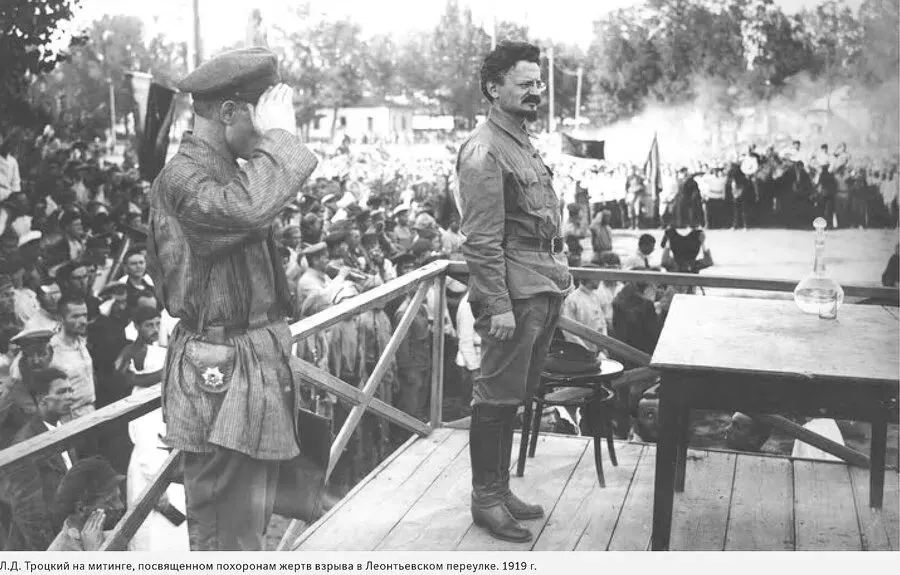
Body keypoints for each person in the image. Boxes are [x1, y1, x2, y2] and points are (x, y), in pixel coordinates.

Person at [146, 48, 319, 551]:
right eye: (260, 121)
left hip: (248, 364)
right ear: (227, 112)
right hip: (220, 375)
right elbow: (243, 210)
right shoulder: (182, 177)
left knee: (248, 527)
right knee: (226, 536)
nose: (265, 135)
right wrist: (281, 140)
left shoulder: (226, 172)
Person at [456, 41, 573, 543]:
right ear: (493, 88)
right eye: (524, 84)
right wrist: (497, 305)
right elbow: (481, 240)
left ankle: (500, 490)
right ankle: (485, 499)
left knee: (514, 397)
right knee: (495, 397)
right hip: (514, 295)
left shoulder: (520, 142)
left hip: (541, 284)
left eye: (537, 83)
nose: (535, 92)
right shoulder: (484, 150)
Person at [3, 368, 75, 550]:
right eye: (61, 392)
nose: (69, 396)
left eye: (70, 390)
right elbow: (28, 514)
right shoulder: (25, 444)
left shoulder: (66, 427)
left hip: (67, 532)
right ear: (42, 398)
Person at [47, 456, 126, 551]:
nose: (120, 506)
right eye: (111, 501)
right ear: (80, 509)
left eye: (118, 498)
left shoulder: (111, 527)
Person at [49, 294, 94, 420]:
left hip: (90, 412)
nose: (83, 321)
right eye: (75, 316)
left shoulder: (81, 342)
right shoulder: (51, 349)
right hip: (68, 418)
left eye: (84, 315)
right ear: (61, 318)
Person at [560, 262, 608, 353]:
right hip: (579, 352)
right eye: (597, 277)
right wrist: (585, 350)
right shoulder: (572, 299)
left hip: (597, 351)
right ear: (588, 278)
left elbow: (602, 323)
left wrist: (604, 345)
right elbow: (568, 331)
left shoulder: (596, 297)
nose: (600, 280)